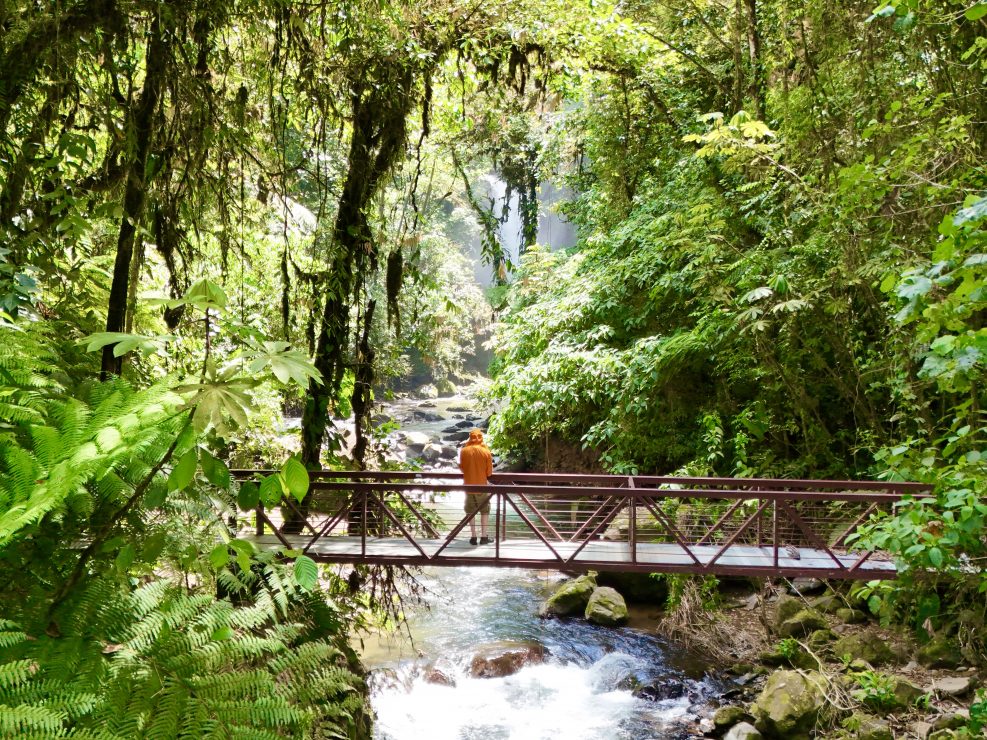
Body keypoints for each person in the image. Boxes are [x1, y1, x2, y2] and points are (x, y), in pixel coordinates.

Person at [459, 429, 493, 546]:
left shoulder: (464, 451)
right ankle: (484, 537)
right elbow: (489, 473)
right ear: (481, 438)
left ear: (470, 438)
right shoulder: (486, 452)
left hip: (468, 487)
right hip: (482, 487)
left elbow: (463, 468)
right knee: (484, 511)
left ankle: (473, 537)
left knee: (470, 512)